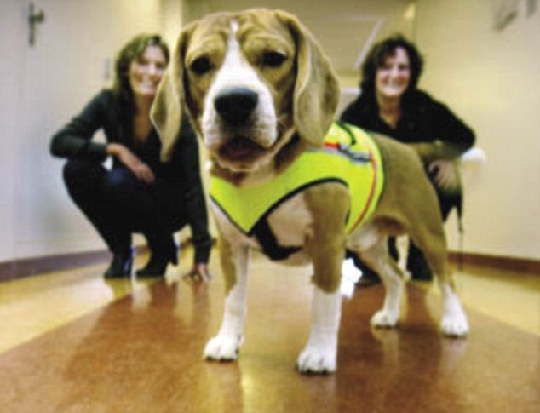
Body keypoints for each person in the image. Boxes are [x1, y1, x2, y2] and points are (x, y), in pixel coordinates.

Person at [50, 33, 212, 281]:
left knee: (119, 180)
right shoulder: (108, 102)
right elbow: (59, 142)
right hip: (126, 195)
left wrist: (202, 253)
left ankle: (161, 248)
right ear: (127, 67)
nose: (151, 72)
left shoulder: (178, 116)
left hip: (169, 206)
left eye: (159, 66)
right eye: (143, 62)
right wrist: (114, 149)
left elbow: (193, 185)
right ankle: (121, 252)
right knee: (76, 170)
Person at [341, 34, 475, 285]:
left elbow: (465, 137)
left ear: (412, 73)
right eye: (386, 67)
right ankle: (376, 255)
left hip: (417, 184)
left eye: (403, 67)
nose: (394, 75)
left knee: (450, 180)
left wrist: (443, 156)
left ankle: (420, 251)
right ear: (374, 72)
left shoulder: (423, 105)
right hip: (374, 188)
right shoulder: (356, 113)